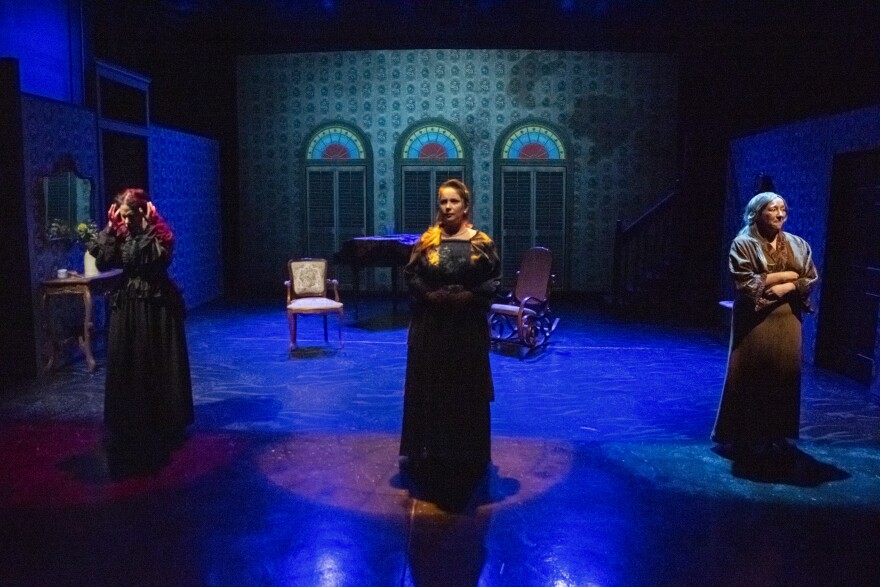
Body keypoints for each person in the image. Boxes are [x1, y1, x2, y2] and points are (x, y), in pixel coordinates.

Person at [399, 179, 501, 504]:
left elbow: (494, 279)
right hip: (433, 326)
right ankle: (431, 452)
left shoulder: (481, 243)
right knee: (433, 385)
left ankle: (465, 454)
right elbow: (411, 275)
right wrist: (431, 295)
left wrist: (469, 296)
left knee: (463, 386)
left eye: (453, 202)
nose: (447, 207)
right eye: (443, 202)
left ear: (465, 206)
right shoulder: (427, 241)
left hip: (466, 328)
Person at [88, 188, 193, 472]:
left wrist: (148, 228)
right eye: (122, 216)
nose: (127, 221)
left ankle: (163, 417)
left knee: (155, 359)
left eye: (130, 215)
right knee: (127, 359)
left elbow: (157, 260)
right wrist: (110, 229)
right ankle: (129, 419)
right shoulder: (119, 233)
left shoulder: (159, 235)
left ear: (143, 211)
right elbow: (103, 260)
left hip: (156, 303)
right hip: (127, 302)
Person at [712, 191, 818, 457]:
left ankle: (777, 434)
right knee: (751, 375)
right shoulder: (744, 244)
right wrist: (788, 274)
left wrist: (786, 287)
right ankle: (745, 434)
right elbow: (746, 282)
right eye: (773, 209)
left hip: (788, 318)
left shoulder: (798, 244)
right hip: (755, 320)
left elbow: (809, 277)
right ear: (757, 213)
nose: (780, 214)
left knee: (784, 375)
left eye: (783, 209)